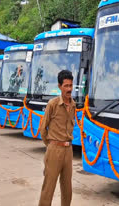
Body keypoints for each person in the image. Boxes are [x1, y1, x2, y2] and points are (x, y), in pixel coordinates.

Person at [38, 70, 75, 206]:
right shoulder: (52, 104)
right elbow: (43, 128)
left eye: (71, 85)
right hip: (54, 149)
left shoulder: (73, 105)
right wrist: (50, 145)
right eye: (66, 86)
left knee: (67, 189)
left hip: (68, 150)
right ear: (59, 86)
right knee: (49, 187)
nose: (69, 89)